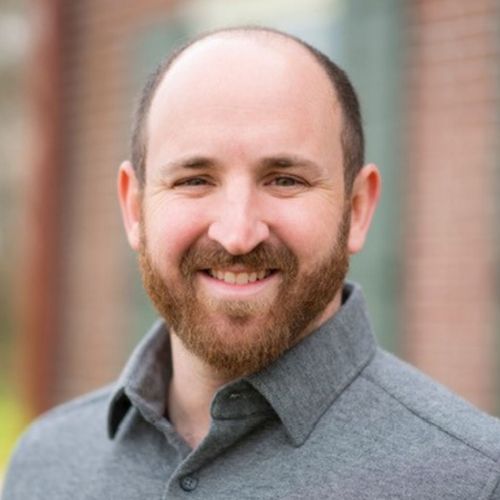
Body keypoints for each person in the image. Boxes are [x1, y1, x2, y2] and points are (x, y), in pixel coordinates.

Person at [3, 26, 500, 500]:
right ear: (134, 208)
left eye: (285, 180)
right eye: (194, 180)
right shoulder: (44, 465)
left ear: (357, 209)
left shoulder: (477, 481)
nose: (237, 235)